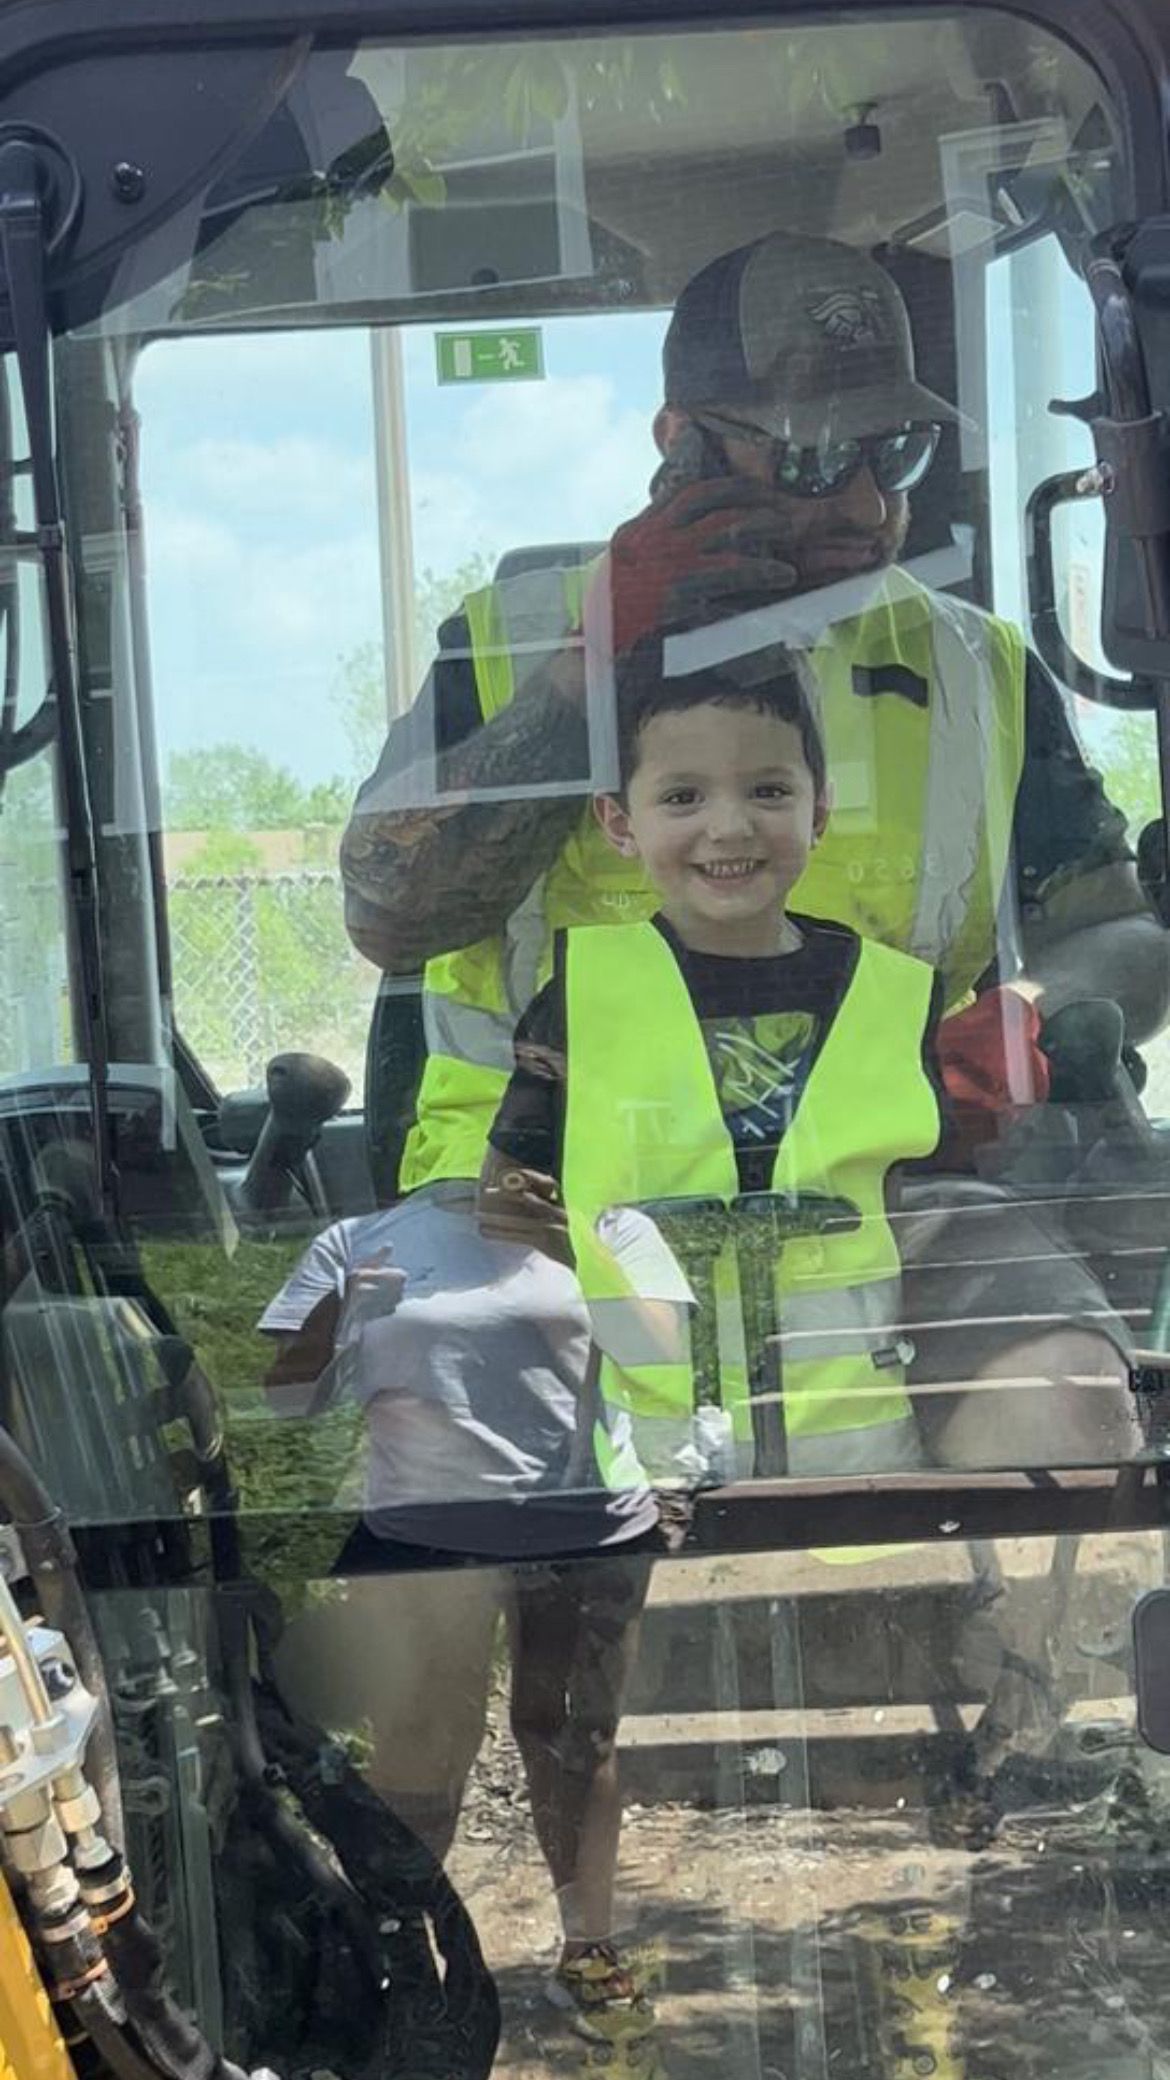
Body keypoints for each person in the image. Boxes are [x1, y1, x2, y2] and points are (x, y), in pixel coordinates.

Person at [341, 229, 1160, 1458]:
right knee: (435, 1444)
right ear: (681, 447)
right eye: (819, 455)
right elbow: (386, 910)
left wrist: (1038, 1009)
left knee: (1076, 1399)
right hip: (532, 1190)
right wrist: (588, 668)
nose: (867, 504)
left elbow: (1117, 930)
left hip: (892, 1186)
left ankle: (1002, 1650)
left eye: (898, 453)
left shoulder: (974, 667)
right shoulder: (512, 643)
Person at [479, 636, 945, 1485]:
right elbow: (515, 1201)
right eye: (683, 796)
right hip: (655, 1456)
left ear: (821, 809)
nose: (729, 827)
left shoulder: (897, 998)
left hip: (861, 1451)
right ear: (618, 821)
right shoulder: (581, 1001)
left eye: (768, 790)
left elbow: (914, 1209)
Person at [257, 1186, 681, 2035]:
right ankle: (400, 1952)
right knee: (425, 1741)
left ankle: (588, 1947)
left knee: (571, 1735)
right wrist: (345, 1307)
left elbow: (661, 1358)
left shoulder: (611, 1222)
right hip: (424, 1535)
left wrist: (571, 1245)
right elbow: (284, 1397)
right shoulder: (360, 1236)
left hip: (584, 1528)